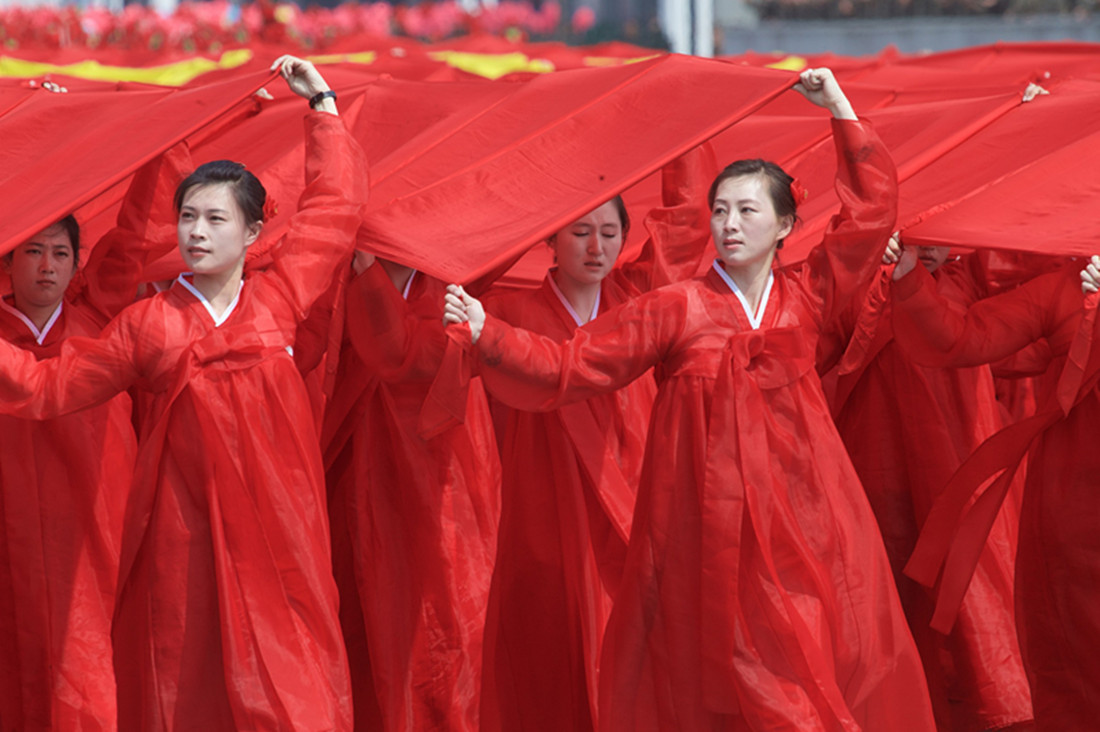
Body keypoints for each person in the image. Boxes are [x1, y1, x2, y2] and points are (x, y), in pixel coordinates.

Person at [442, 68, 935, 730]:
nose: (730, 224)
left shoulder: (809, 294)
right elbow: (571, 365)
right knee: (739, 673)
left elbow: (872, 211)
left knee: (824, 653)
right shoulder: (678, 307)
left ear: (787, 224)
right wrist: (488, 333)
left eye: (748, 211)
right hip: (714, 526)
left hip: (809, 516)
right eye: (721, 211)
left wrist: (839, 109)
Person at [0, 55, 365, 731]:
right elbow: (50, 389)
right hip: (183, 538)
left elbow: (335, 212)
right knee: (183, 686)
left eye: (216, 220)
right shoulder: (148, 324)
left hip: (281, 533)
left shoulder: (280, 299)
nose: (197, 232)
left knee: (296, 691)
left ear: (253, 233)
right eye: (188, 218)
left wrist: (323, 111)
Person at [475, 147, 713, 732]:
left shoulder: (641, 301)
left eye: (609, 232)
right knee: (547, 641)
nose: (595, 247)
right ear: (549, 241)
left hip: (630, 490)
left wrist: (684, 134)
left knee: (633, 630)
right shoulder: (504, 309)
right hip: (539, 506)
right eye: (580, 232)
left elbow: (685, 223)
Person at [822, 234, 1033, 731]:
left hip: (957, 473)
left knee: (970, 602)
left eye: (943, 238)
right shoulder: (859, 293)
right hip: (877, 469)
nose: (931, 249)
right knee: (886, 591)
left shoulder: (970, 281)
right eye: (917, 236)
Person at [890, 244, 1100, 728]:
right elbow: (961, 338)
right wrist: (908, 276)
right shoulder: (1066, 287)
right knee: (1078, 655)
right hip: (1073, 514)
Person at [320, 247, 501, 732]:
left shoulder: (454, 294)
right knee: (359, 616)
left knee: (447, 612)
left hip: (443, 485)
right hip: (351, 475)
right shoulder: (329, 291)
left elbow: (398, 351)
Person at [0, 207, 150, 729]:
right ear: (9, 262)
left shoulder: (98, 326)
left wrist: (163, 143)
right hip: (10, 531)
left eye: (60, 253)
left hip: (94, 524)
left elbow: (136, 231)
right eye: (34, 251)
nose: (47, 266)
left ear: (77, 265)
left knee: (96, 650)